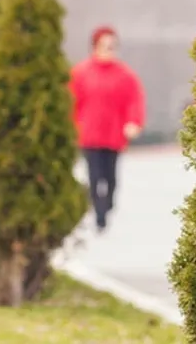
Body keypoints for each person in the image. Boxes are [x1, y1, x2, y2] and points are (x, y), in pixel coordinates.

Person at [68, 25, 146, 234]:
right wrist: (70, 126)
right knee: (94, 176)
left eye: (112, 46)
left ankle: (107, 204)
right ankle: (100, 215)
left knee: (110, 178)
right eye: (105, 46)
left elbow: (134, 101)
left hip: (113, 135)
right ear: (95, 47)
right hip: (89, 134)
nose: (109, 50)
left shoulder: (125, 75)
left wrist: (133, 122)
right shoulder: (81, 73)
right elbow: (72, 101)